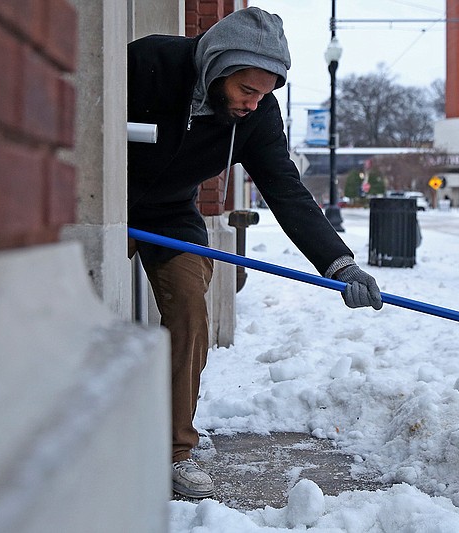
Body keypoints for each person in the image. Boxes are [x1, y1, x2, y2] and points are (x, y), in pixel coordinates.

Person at [127, 7, 383, 499]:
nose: (254, 102)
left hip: (170, 217)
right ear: (218, 67)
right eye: (247, 89)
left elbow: (285, 189)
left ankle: (174, 452)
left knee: (189, 313)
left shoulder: (258, 115)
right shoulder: (150, 62)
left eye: (265, 92)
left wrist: (340, 262)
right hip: (102, 200)